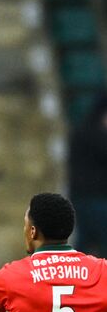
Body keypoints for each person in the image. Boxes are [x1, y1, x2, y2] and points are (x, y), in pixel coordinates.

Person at [69, 93, 107, 258]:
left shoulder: (82, 131)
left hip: (85, 197)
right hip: (94, 198)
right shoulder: (93, 135)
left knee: (85, 242)